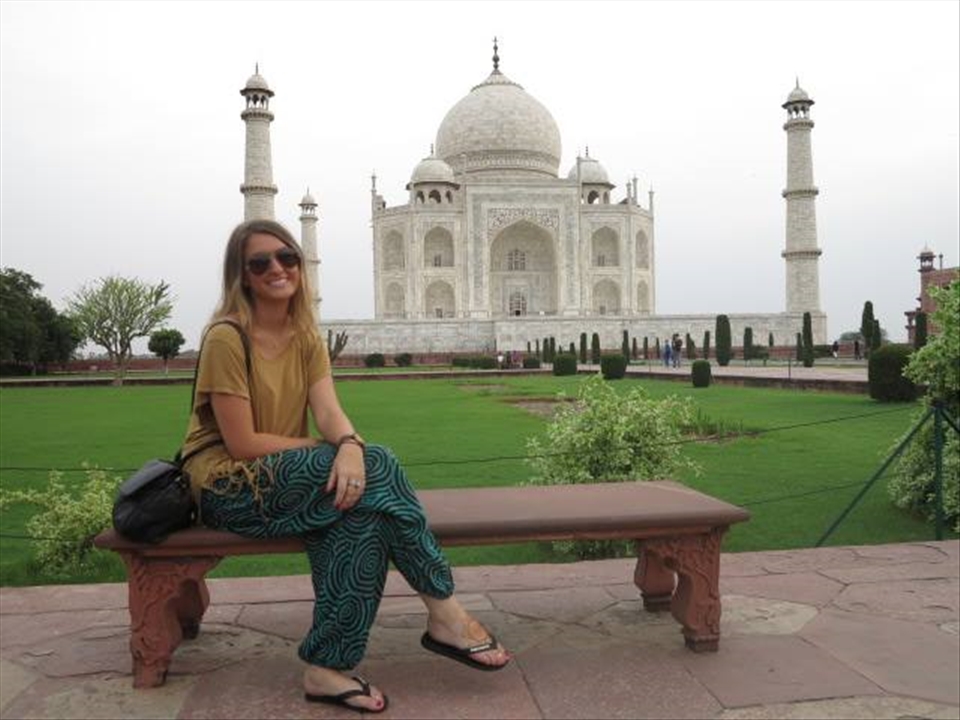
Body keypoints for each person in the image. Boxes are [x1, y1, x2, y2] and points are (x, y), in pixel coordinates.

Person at [181, 219, 510, 713]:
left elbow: (330, 412)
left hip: (288, 478)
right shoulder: (228, 337)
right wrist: (331, 450)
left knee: (362, 517)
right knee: (378, 466)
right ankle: (445, 611)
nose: (277, 268)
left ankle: (327, 669)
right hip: (228, 485)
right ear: (242, 275)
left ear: (300, 265)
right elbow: (243, 442)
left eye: (287, 257)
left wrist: (350, 445)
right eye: (260, 262)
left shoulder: (306, 334)